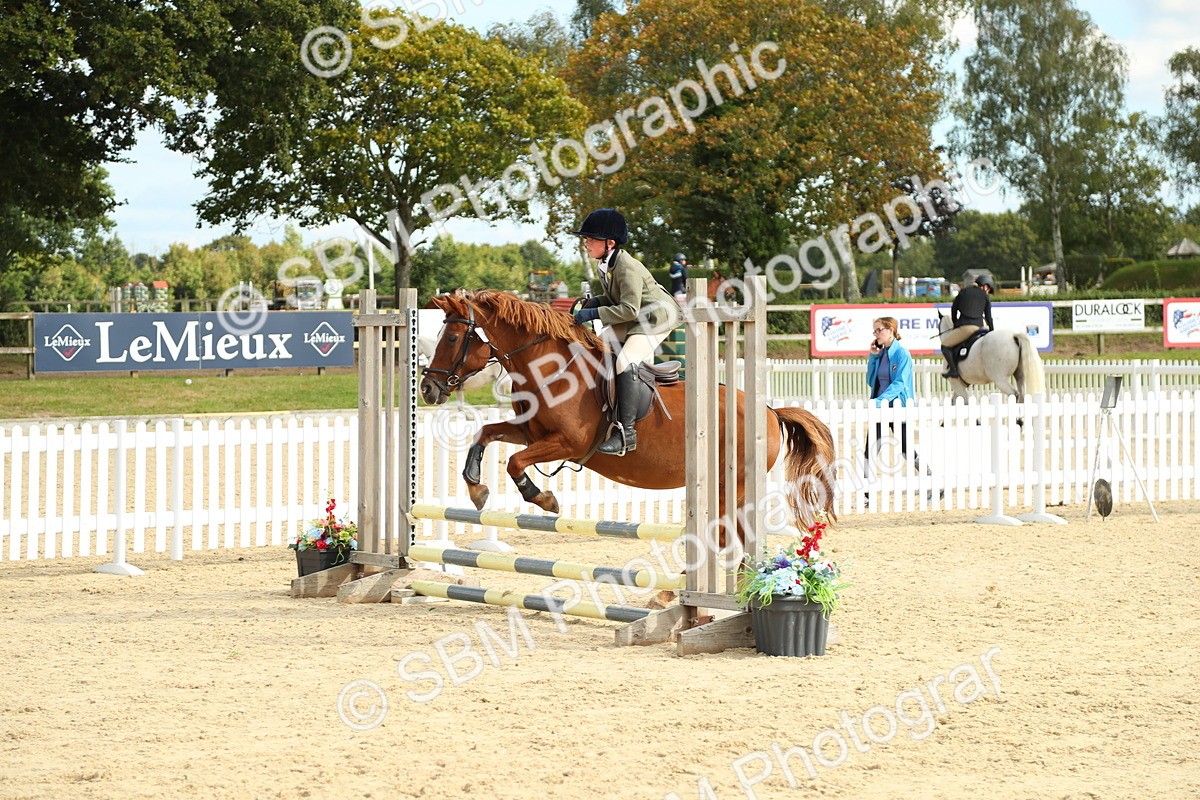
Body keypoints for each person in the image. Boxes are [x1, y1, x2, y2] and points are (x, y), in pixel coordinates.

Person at [571, 208, 680, 455]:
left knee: (624, 360)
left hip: (656, 317)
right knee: (598, 348)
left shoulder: (627, 266)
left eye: (591, 238)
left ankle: (626, 433)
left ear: (609, 243)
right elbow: (616, 297)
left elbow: (629, 309)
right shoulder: (607, 263)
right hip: (637, 314)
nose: (585, 243)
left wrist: (594, 314)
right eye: (585, 238)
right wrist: (596, 302)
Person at [864, 317, 931, 505]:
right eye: (874, 331)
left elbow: (900, 383)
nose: (876, 334)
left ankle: (934, 482)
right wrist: (872, 356)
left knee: (906, 450)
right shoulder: (881, 354)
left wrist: (880, 402)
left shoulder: (902, 354)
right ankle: (866, 495)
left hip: (897, 408)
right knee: (870, 450)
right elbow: (871, 381)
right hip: (880, 407)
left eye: (878, 330)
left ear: (890, 330)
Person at [940, 274, 995, 378]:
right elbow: (988, 317)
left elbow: (954, 309)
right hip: (981, 328)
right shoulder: (985, 296)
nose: (988, 292)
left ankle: (954, 370)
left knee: (945, 345)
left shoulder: (964, 292)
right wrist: (992, 332)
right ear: (986, 286)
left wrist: (956, 324)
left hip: (965, 328)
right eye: (988, 290)